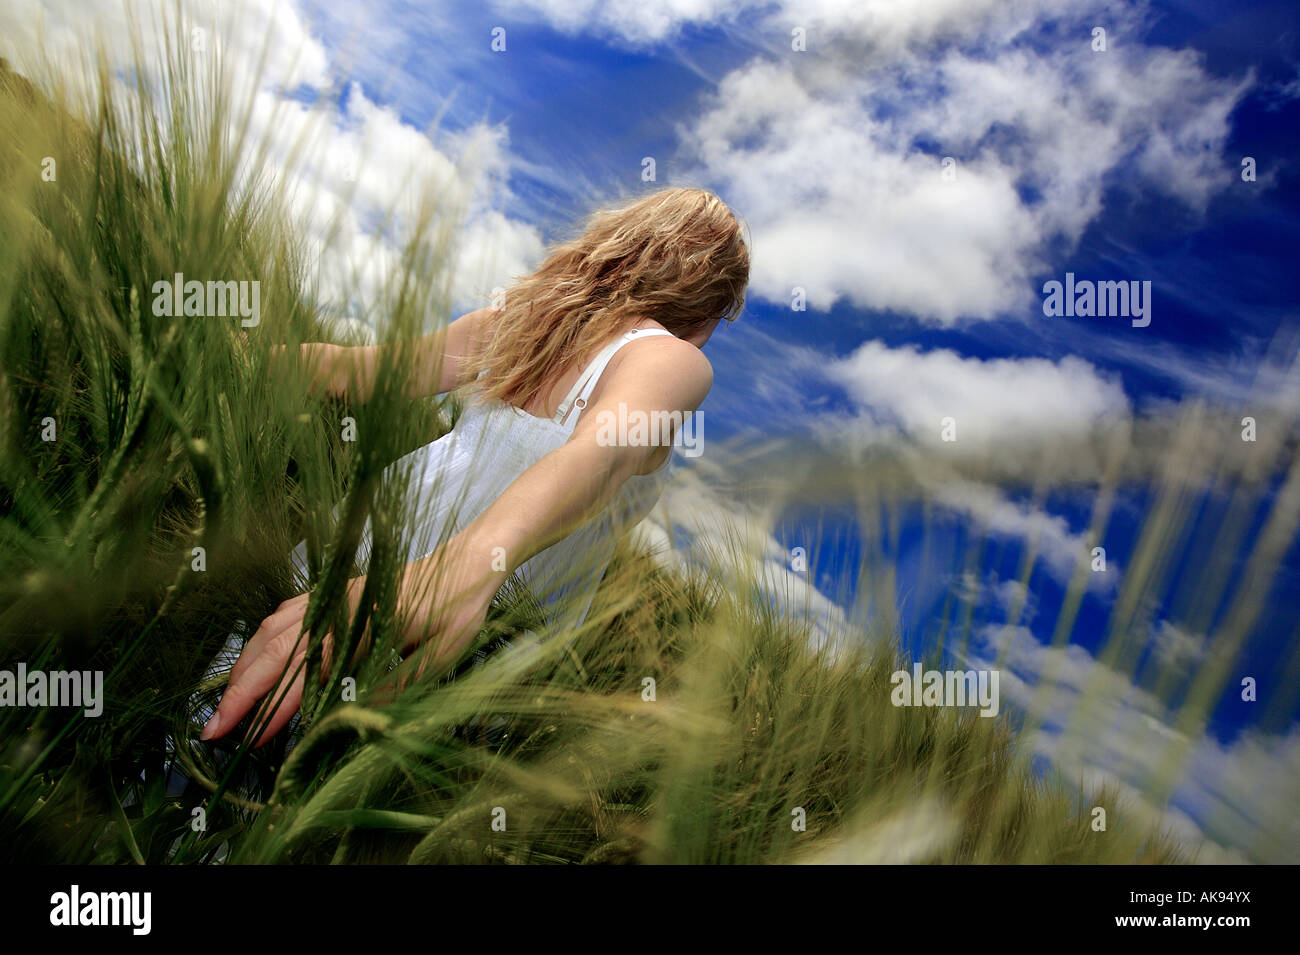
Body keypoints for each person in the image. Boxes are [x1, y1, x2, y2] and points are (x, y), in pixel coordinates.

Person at [201, 186, 750, 747]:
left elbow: (356, 373)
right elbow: (603, 455)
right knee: (324, 794)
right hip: (472, 626)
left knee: (225, 722)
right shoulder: (673, 359)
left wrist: (223, 355)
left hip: (364, 541)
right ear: (708, 309)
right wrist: (466, 568)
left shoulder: (518, 321)